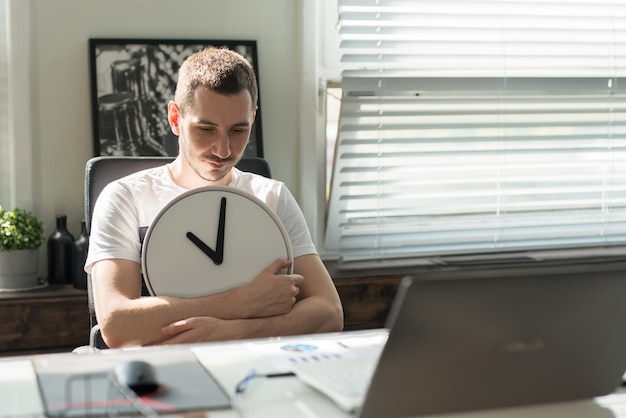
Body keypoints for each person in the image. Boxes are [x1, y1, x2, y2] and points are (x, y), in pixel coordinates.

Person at [85, 47, 344, 348]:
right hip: (160, 376)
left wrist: (227, 332)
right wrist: (240, 303)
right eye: (206, 129)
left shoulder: (272, 197)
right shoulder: (125, 198)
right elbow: (117, 326)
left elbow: (329, 313)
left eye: (238, 130)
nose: (223, 150)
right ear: (174, 118)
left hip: (255, 369)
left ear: (253, 119)